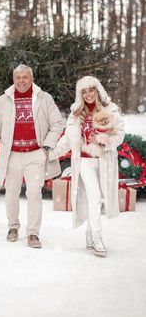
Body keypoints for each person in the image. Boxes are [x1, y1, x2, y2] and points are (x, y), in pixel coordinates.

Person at [0, 64, 63, 248]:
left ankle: (33, 233)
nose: (22, 81)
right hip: (12, 155)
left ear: (32, 78)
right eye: (18, 77)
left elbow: (58, 123)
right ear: (13, 79)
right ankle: (13, 227)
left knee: (34, 194)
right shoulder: (4, 100)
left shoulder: (43, 98)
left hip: (35, 155)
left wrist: (46, 147)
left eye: (25, 77)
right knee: (11, 194)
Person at [49, 76, 125, 257]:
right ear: (80, 94)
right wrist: (49, 154)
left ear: (97, 90)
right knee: (95, 196)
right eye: (84, 91)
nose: (88, 95)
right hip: (83, 161)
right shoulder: (76, 115)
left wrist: (106, 140)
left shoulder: (111, 110)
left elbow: (120, 134)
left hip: (104, 160)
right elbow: (66, 141)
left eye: (91, 90)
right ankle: (98, 237)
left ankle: (90, 234)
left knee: (97, 199)